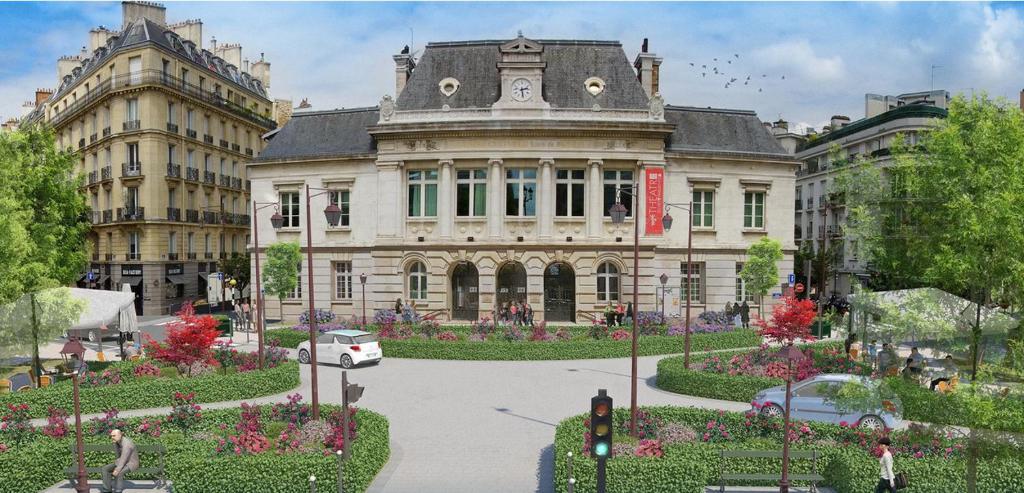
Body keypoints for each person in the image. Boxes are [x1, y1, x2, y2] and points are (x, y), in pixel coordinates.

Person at [101, 429, 139, 493]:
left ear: (120, 435)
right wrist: (115, 445)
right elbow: (118, 455)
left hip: (131, 463)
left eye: (114, 436)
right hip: (121, 461)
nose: (112, 437)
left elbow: (124, 458)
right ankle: (107, 490)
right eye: (111, 436)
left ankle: (118, 490)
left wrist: (117, 469)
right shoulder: (118, 441)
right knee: (105, 469)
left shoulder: (127, 444)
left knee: (119, 472)